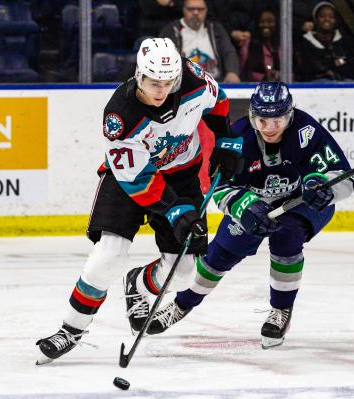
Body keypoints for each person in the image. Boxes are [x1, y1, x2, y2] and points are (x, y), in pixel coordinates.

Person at [35, 37, 244, 364]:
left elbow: (218, 102)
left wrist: (227, 139)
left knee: (184, 271)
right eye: (152, 83)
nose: (161, 90)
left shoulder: (192, 78)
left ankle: (139, 283)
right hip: (129, 181)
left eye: (168, 83)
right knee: (109, 255)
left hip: (183, 175)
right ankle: (71, 329)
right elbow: (138, 178)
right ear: (138, 75)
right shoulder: (121, 115)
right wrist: (175, 211)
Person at [145, 81, 354, 349]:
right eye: (263, 120)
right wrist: (243, 207)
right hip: (251, 204)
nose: (270, 128)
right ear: (253, 116)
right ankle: (181, 305)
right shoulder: (239, 136)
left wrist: (324, 188)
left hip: (299, 203)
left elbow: (343, 178)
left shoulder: (307, 131)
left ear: (289, 114)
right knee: (219, 256)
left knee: (287, 236)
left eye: (278, 119)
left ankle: (281, 311)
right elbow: (219, 188)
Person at [160, 0, 242, 83]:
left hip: (215, 82)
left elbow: (229, 52)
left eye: (200, 9)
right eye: (191, 9)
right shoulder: (170, 31)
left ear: (206, 10)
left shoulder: (216, 29)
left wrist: (232, 72)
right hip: (184, 83)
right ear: (183, 10)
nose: (196, 12)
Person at [294, 1, 354, 82]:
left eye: (331, 17)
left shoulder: (344, 41)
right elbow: (309, 67)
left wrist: (334, 63)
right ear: (316, 19)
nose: (327, 19)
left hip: (343, 81)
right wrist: (334, 63)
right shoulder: (305, 41)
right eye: (322, 16)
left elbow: (351, 63)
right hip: (316, 83)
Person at [239, 8, 281, 82]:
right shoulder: (248, 44)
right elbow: (244, 70)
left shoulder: (284, 44)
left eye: (270, 21)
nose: (265, 25)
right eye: (262, 22)